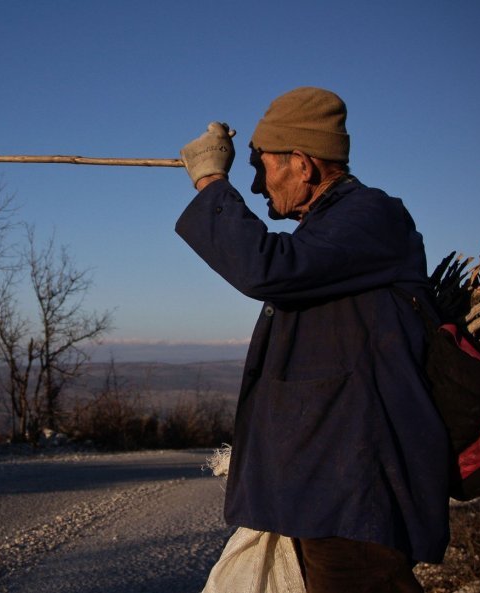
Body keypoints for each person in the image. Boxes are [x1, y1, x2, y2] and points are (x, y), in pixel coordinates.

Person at [175, 87, 451, 592]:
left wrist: (213, 183)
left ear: (302, 164)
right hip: (325, 488)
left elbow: (267, 268)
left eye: (262, 166)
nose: (256, 186)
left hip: (357, 490)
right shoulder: (328, 231)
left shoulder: (372, 217)